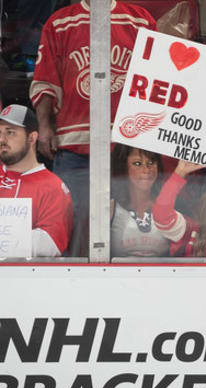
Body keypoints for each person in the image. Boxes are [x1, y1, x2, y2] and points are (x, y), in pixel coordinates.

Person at [30, 0, 156, 256]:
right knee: (71, 225)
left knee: (126, 228)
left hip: (126, 149)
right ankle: (72, 286)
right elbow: (45, 80)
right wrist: (44, 127)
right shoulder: (60, 22)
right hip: (74, 147)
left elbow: (157, 81)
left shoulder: (140, 21)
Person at [0, 104, 72, 257]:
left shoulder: (53, 187)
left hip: (26, 278)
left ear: (32, 138)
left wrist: (7, 240)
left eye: (10, 132)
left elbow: (51, 243)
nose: (1, 139)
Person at [110, 144, 169, 257]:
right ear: (123, 167)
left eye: (151, 163)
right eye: (137, 163)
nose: (146, 170)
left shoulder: (169, 207)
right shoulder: (110, 209)